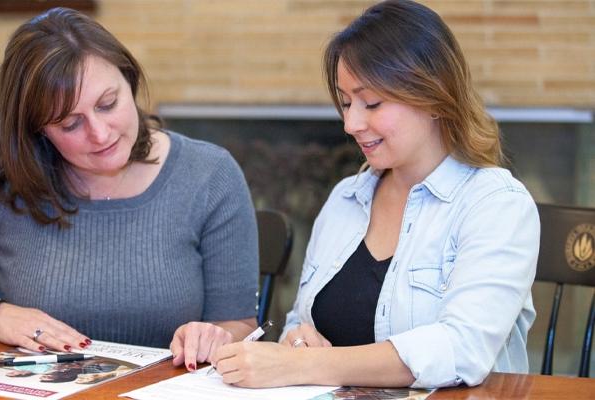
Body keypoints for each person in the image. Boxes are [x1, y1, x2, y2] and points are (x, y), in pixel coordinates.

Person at [213, 0, 540, 389]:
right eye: (347, 103)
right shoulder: (344, 199)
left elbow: (460, 348)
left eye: (372, 103)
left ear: (434, 97)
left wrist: (298, 366)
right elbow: (301, 320)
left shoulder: (497, 204)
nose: (351, 123)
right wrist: (297, 339)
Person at [0, 7, 258, 371]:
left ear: (129, 79)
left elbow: (241, 324)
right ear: (36, 131)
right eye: (70, 124)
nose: (101, 134)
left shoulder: (210, 175)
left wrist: (214, 336)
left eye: (108, 104)